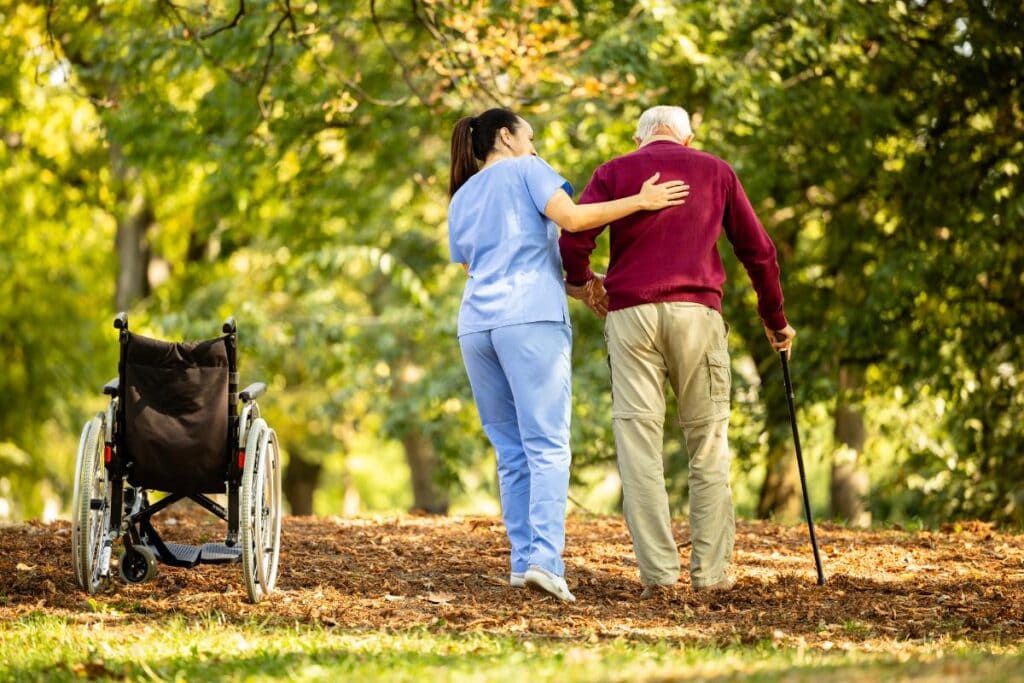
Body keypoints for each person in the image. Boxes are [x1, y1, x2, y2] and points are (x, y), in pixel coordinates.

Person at [447, 108, 689, 602]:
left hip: (476, 325)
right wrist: (641, 201)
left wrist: (582, 288)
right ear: (507, 136)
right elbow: (575, 219)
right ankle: (545, 562)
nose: (535, 146)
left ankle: (522, 563)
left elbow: (480, 262)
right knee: (548, 445)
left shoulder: (463, 194)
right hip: (530, 318)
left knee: (510, 450)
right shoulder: (529, 170)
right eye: (530, 136)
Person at [559, 105, 796, 597]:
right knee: (707, 444)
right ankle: (710, 577)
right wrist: (774, 319)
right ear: (688, 140)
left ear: (640, 137)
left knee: (638, 445)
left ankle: (660, 578)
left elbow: (574, 237)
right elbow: (760, 252)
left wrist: (585, 285)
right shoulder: (716, 170)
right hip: (696, 315)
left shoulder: (614, 171)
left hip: (631, 317)